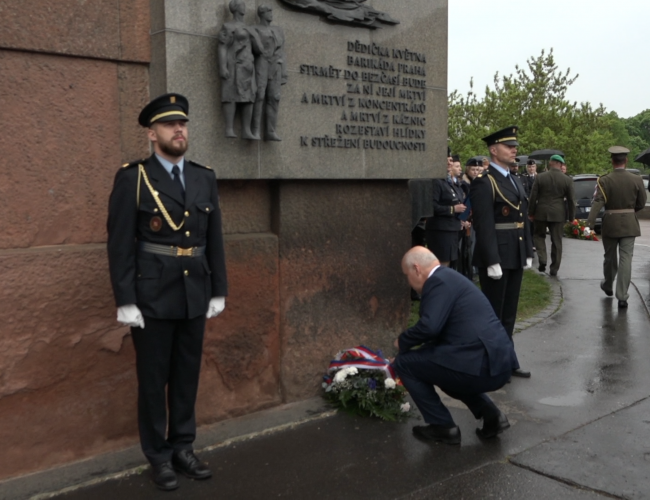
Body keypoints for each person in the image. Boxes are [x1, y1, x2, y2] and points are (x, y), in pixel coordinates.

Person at [107, 94, 228, 491]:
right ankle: (158, 455)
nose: (180, 130)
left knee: (186, 376)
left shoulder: (202, 176)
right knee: (153, 378)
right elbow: (120, 243)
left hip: (195, 289)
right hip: (152, 295)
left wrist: (218, 289)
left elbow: (215, 239)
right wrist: (125, 300)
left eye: (183, 124)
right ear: (152, 133)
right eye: (170, 125)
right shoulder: (133, 178)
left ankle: (183, 446)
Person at [393, 247, 518, 444]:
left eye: (407, 275)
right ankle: (493, 417)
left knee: (404, 364)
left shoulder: (437, 283)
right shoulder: (451, 278)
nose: (409, 282)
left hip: (480, 364)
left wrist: (402, 342)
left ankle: (442, 427)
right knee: (442, 369)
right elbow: (442, 334)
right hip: (499, 364)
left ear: (417, 269)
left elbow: (430, 327)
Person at [469, 126, 533, 378]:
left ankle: (508, 359)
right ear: (494, 151)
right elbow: (483, 225)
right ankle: (492, 364)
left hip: (515, 252)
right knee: (494, 314)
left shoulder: (513, 179)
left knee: (509, 313)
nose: (514, 149)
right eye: (509, 146)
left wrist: (527, 250)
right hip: (497, 255)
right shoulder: (485, 183)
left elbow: (523, 219)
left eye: (515, 146)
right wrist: (491, 259)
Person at [585, 146, 647, 308]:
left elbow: (598, 203)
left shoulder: (604, 180)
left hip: (610, 223)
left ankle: (607, 285)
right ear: (626, 160)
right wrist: (628, 213)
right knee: (626, 259)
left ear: (612, 161)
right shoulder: (637, 179)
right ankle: (622, 296)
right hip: (629, 223)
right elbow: (641, 203)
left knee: (610, 257)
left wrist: (589, 224)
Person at [528, 154, 575, 277]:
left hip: (541, 212)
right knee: (557, 241)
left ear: (551, 163)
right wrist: (571, 217)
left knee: (538, 236)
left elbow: (533, 197)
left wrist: (531, 212)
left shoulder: (540, 178)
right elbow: (571, 200)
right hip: (558, 214)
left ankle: (542, 259)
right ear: (560, 165)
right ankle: (554, 268)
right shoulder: (567, 180)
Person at [218, 0, 257, 139]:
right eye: (241, 4)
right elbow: (222, 47)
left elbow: (258, 49)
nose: (244, 6)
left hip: (248, 66)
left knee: (249, 97)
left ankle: (246, 130)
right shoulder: (228, 26)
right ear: (235, 8)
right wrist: (223, 67)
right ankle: (229, 128)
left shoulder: (249, 28)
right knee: (230, 95)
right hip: (233, 65)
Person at [250, 5, 288, 141]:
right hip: (262, 63)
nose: (271, 14)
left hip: (276, 65)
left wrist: (284, 73)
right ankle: (254, 130)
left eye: (271, 11)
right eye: (268, 12)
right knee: (259, 95)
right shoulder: (254, 29)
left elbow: (282, 52)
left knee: (274, 97)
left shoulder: (278, 30)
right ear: (262, 14)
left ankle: (270, 131)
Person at [425, 155, 465, 268]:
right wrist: (453, 209)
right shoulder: (436, 181)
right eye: (446, 160)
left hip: (453, 229)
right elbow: (431, 205)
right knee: (442, 266)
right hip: (440, 231)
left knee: (452, 264)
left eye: (451, 160)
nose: (449, 163)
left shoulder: (451, 182)